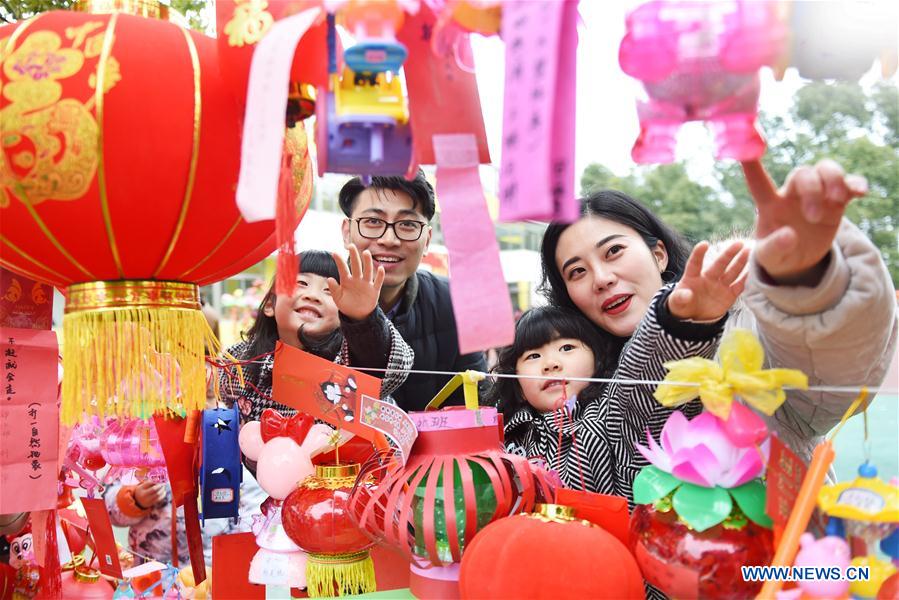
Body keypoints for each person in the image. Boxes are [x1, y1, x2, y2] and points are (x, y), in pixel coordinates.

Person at [539, 159, 897, 492]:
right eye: (577, 271)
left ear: (658, 253)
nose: (601, 279)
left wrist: (809, 278)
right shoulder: (565, 375)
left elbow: (825, 365)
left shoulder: (749, 322)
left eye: (613, 251)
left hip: (780, 555)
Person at [488, 240, 750, 494]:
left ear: (598, 363)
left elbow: (642, 376)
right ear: (518, 387)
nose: (551, 364)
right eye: (533, 356)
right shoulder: (503, 433)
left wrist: (678, 323)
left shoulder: (610, 415)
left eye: (567, 348)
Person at [338, 170, 487, 412]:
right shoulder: (313, 297)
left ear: (427, 239)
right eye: (373, 222)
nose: (389, 239)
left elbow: (476, 406)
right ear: (347, 232)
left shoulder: (454, 304)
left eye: (407, 224)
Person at [220, 247, 413, 424]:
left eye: (329, 291)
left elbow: (393, 371)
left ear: (343, 313)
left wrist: (363, 320)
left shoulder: (350, 357)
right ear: (270, 304)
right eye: (301, 283)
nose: (313, 295)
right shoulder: (242, 361)